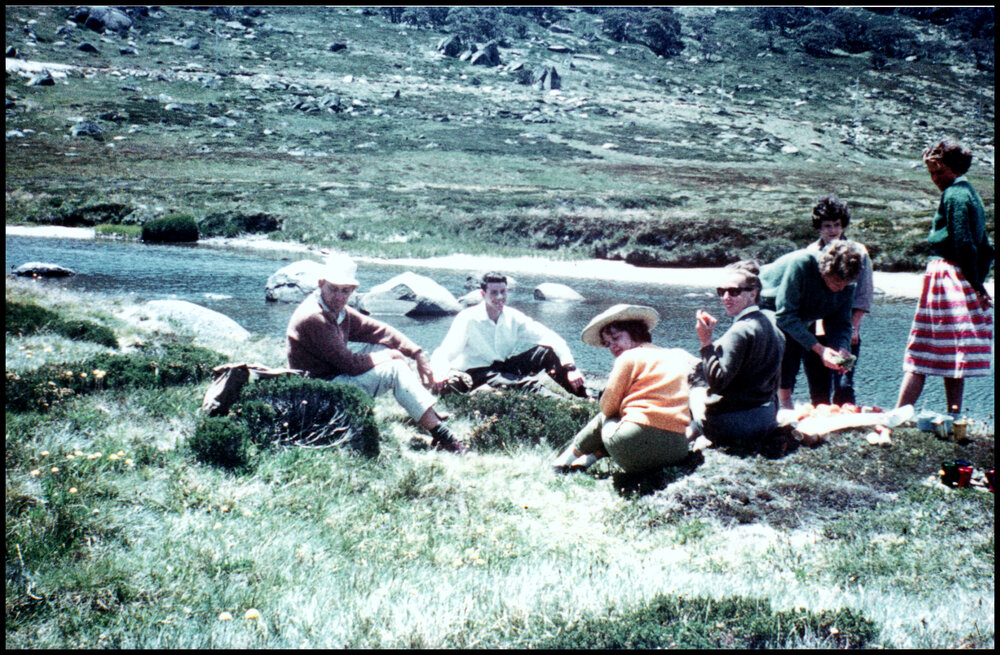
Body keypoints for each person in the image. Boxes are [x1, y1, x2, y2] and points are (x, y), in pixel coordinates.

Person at [286, 254, 466, 453]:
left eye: (345, 291)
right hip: (317, 392)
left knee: (385, 348)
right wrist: (391, 356)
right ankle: (444, 436)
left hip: (331, 379)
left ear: (353, 290)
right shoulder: (315, 317)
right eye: (333, 289)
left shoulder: (336, 309)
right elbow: (350, 365)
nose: (339, 296)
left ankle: (425, 412)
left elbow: (378, 330)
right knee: (394, 367)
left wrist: (417, 354)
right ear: (321, 284)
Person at [896, 139, 994, 414]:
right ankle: (954, 414)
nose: (935, 178)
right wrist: (978, 281)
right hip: (961, 273)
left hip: (947, 272)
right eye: (932, 173)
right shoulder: (968, 191)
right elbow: (985, 247)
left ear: (954, 169)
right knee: (954, 347)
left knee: (923, 347)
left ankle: (899, 413)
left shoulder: (955, 195)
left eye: (940, 172)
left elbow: (965, 242)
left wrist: (976, 284)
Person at [551, 304, 696, 473]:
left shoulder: (628, 357)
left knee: (607, 417)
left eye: (617, 338)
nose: (612, 346)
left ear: (634, 332)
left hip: (632, 440)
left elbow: (607, 407)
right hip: (677, 449)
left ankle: (563, 461)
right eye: (608, 343)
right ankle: (586, 461)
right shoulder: (674, 355)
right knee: (625, 420)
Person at [430, 272, 588, 398]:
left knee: (547, 352)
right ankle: (559, 406)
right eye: (494, 293)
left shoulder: (513, 316)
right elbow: (444, 353)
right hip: (477, 373)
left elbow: (551, 337)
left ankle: (586, 398)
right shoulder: (468, 318)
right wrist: (439, 373)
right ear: (483, 294)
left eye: (502, 292)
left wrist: (571, 368)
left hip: (503, 367)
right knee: (528, 384)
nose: (499, 297)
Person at [759, 240, 864, 410]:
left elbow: (841, 322)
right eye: (837, 283)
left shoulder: (847, 284)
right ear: (825, 271)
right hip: (766, 302)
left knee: (802, 340)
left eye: (845, 284)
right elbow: (785, 316)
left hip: (801, 312)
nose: (841, 288)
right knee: (787, 343)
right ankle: (782, 401)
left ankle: (783, 400)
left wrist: (841, 347)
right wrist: (821, 350)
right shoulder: (803, 264)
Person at [690, 261, 785, 449]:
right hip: (765, 419)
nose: (726, 297)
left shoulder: (740, 331)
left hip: (734, 427)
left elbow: (717, 383)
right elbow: (775, 382)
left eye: (734, 292)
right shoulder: (773, 326)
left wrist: (706, 342)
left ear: (753, 293)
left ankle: (689, 437)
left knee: (695, 392)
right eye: (721, 291)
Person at [803, 195, 874, 406]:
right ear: (819, 228)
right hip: (814, 331)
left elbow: (864, 294)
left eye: (837, 225)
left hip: (845, 328)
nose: (833, 231)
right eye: (827, 226)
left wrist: (854, 328)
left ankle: (847, 426)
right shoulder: (809, 253)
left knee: (844, 383)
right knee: (817, 386)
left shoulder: (858, 252)